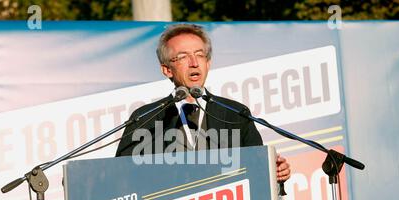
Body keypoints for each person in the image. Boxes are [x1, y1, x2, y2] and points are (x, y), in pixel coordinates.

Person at [116, 23, 290, 183]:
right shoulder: (145, 118)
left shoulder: (235, 113)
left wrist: (274, 171)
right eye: (183, 57)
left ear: (208, 63)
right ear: (167, 70)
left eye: (200, 55)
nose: (194, 63)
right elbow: (122, 177)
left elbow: (256, 169)